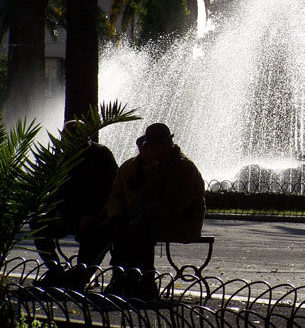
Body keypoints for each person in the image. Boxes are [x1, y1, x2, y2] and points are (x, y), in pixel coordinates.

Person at [104, 122, 206, 299]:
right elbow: (143, 198)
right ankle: (124, 277)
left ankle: (146, 282)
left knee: (142, 227)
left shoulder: (183, 167)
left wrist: (140, 215)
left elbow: (173, 204)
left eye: (152, 145)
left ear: (164, 145)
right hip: (163, 218)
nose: (148, 149)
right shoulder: (158, 164)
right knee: (121, 226)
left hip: (184, 221)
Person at [31, 120, 118, 289]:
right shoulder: (64, 157)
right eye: (65, 137)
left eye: (70, 136)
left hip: (96, 214)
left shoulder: (100, 153)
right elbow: (57, 189)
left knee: (96, 232)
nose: (66, 140)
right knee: (38, 223)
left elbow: (109, 188)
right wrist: (57, 211)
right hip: (69, 215)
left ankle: (82, 274)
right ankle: (56, 271)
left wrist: (91, 213)